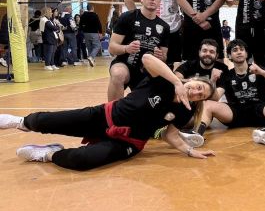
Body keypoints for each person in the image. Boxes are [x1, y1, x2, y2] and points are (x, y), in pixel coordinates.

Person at [0, 54, 216, 171]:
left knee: (82, 160)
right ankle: (19, 122)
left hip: (128, 142)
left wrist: (189, 151)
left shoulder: (184, 111)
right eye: (198, 87)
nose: (196, 92)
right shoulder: (165, 80)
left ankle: (48, 153)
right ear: (192, 80)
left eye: (201, 95)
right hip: (103, 116)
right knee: (48, 120)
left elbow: (170, 135)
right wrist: (177, 82)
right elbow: (147, 59)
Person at [198, 39, 265, 147]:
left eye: (241, 49)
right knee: (207, 104)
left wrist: (262, 72)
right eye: (235, 50)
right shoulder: (227, 75)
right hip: (234, 113)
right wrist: (213, 81)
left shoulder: (258, 69)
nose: (239, 52)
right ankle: (197, 135)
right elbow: (215, 98)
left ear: (246, 54)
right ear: (229, 56)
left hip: (260, 110)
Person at [107, 0, 169, 101]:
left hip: (147, 70)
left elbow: (164, 57)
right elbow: (112, 48)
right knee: (118, 74)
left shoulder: (164, 27)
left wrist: (160, 56)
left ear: (160, 1)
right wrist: (126, 48)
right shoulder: (127, 17)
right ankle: (113, 110)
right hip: (125, 64)